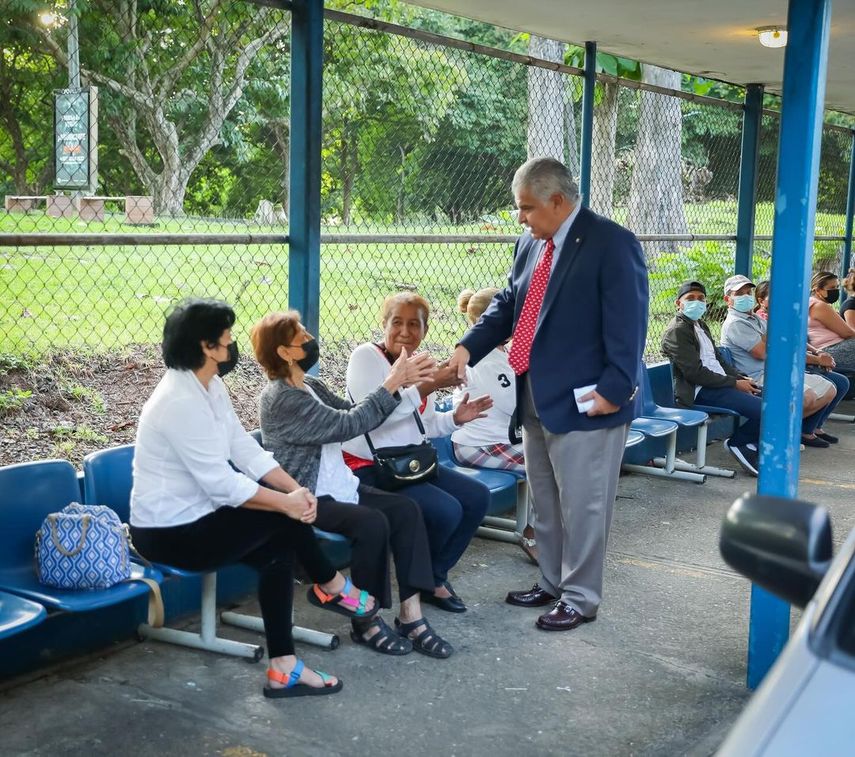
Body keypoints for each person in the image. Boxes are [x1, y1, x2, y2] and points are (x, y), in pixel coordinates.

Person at [129, 298, 379, 699]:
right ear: (206, 346)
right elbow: (222, 484)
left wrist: (292, 489)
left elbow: (244, 449)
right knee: (282, 523)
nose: (232, 344)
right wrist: (287, 504)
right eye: (225, 337)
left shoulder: (209, 385)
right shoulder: (178, 401)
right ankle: (331, 586)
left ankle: (284, 667)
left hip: (204, 516)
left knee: (278, 545)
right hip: (168, 532)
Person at [448, 157, 649, 632]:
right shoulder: (531, 243)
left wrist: (614, 392)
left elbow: (629, 322)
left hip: (590, 400)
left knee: (584, 503)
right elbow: (507, 304)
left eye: (527, 208)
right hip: (535, 395)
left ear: (558, 201)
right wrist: (466, 348)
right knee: (546, 499)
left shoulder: (611, 243)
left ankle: (580, 597)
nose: (521, 218)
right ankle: (552, 580)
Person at [252, 311, 453, 658]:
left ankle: (411, 616)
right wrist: (392, 382)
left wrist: (404, 387)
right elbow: (349, 425)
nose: (309, 338)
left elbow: (357, 413)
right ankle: (367, 622)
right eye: (301, 336)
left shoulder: (309, 386)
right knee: (372, 523)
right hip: (307, 496)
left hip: (339, 486)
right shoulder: (281, 397)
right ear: (285, 352)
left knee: (406, 510)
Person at [343, 292, 493, 614]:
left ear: (425, 330)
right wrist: (425, 387)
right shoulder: (366, 357)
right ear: (384, 325)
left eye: (414, 324)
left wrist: (455, 419)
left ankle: (433, 577)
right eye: (397, 322)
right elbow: (374, 418)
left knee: (477, 497)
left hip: (410, 463)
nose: (405, 332)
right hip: (370, 468)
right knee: (446, 510)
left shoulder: (420, 363)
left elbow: (422, 424)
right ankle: (424, 581)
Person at [452, 287, 536, 564]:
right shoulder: (485, 358)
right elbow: (517, 404)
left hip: (500, 440)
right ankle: (532, 533)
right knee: (544, 468)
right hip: (478, 444)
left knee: (553, 463)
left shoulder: (499, 352)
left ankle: (541, 528)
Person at [720, 275, 836, 448]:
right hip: (756, 376)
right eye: (739, 294)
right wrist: (773, 338)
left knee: (829, 389)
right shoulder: (735, 323)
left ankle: (781, 431)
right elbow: (762, 353)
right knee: (807, 396)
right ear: (728, 299)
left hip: (776, 371)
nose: (746, 296)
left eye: (748, 292)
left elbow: (782, 341)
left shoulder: (756, 319)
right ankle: (774, 437)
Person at [661, 280, 762, 476]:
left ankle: (753, 445)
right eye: (690, 299)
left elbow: (718, 361)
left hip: (720, 385)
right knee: (764, 409)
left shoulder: (700, 325)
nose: (696, 303)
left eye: (701, 299)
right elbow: (695, 373)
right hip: (700, 391)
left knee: (773, 401)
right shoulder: (677, 331)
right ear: (678, 303)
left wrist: (740, 378)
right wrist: (734, 383)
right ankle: (739, 444)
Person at [755, 278, 848, 443]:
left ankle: (811, 428)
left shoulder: (782, 315)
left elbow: (798, 341)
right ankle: (794, 431)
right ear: (761, 301)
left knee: (839, 383)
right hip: (782, 367)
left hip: (800, 361)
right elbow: (782, 352)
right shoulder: (762, 319)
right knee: (834, 383)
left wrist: (818, 353)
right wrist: (818, 360)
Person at [808, 271, 855, 372]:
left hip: (831, 348)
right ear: (818, 290)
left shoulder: (811, 303)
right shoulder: (819, 306)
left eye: (837, 287)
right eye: (832, 288)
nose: (836, 290)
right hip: (831, 349)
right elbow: (848, 333)